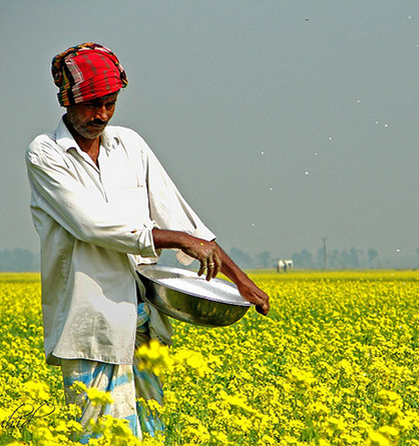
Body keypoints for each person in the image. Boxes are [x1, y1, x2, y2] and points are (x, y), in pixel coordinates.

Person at [25, 42, 270, 441]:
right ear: (66, 101)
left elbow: (184, 219)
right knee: (103, 435)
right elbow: (92, 225)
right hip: (93, 324)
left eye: (110, 103)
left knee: (154, 434)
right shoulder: (46, 153)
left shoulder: (130, 146)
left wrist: (241, 281)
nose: (101, 114)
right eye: (90, 104)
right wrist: (178, 239)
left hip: (144, 323)